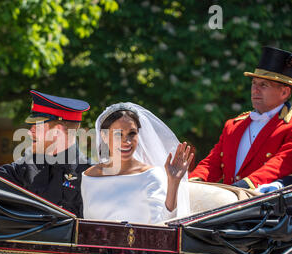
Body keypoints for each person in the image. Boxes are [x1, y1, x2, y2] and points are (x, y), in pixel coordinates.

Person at [189, 46, 292, 191]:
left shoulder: (289, 126)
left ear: (284, 92)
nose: (255, 90)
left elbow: (278, 166)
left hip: (266, 208)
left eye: (263, 85)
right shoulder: (233, 125)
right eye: (254, 83)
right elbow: (212, 163)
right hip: (230, 207)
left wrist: (239, 188)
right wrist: (191, 184)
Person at [81, 102, 193, 225]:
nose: (127, 141)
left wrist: (173, 183)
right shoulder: (89, 176)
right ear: (104, 136)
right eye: (118, 134)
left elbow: (163, 225)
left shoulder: (151, 175)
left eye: (132, 133)